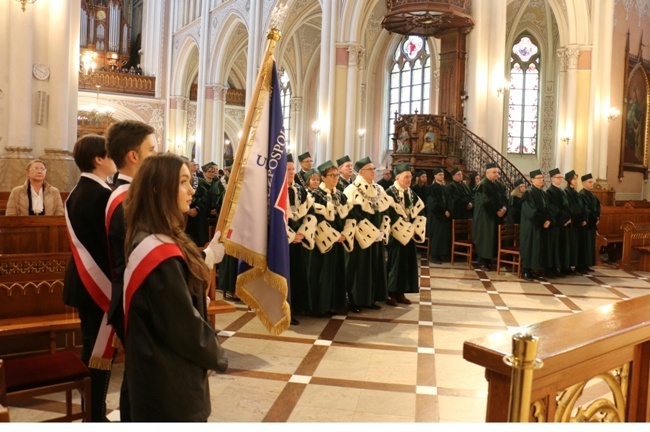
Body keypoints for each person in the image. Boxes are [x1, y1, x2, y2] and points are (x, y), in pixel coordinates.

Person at [121, 153, 227, 421]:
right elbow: (182, 324)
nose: (192, 189)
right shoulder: (155, 249)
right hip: (167, 380)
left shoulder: (157, 234)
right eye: (183, 182)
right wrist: (216, 355)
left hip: (164, 372)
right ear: (158, 189)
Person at [104, 119, 157, 421]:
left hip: (136, 300)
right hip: (136, 302)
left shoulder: (132, 195)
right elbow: (143, 258)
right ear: (134, 155)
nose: (156, 154)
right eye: (152, 149)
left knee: (139, 381)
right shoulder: (126, 201)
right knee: (140, 385)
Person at [62, 134, 117, 421]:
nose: (114, 159)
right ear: (99, 159)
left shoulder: (77, 191)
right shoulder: (101, 196)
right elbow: (105, 245)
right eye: (110, 154)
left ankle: (93, 410)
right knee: (98, 349)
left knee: (93, 345)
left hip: (85, 282)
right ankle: (95, 415)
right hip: (97, 285)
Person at [344, 157, 391, 312]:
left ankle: (370, 298)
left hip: (377, 237)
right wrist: (371, 232)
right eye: (370, 169)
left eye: (373, 169)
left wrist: (383, 229)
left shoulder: (378, 189)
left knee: (374, 266)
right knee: (359, 268)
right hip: (360, 237)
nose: (373, 172)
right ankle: (355, 300)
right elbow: (353, 214)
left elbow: (385, 211)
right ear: (361, 172)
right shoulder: (352, 190)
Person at [307, 160, 353, 315]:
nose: (335, 179)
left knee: (338, 271)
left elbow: (349, 218)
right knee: (322, 273)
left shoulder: (341, 195)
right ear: (323, 177)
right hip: (323, 242)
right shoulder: (315, 195)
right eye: (332, 175)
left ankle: (336, 303)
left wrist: (344, 234)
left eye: (336, 176)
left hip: (339, 240)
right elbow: (314, 219)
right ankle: (320, 305)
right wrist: (333, 236)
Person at [384, 164, 426, 306]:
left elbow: (419, 209)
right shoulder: (389, 193)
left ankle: (401, 292)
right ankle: (390, 293)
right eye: (406, 176)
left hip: (409, 233)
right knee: (394, 264)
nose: (409, 179)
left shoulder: (410, 192)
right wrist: (401, 226)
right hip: (395, 234)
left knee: (406, 263)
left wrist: (415, 226)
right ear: (397, 177)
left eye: (410, 177)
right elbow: (387, 213)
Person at [286, 154, 315, 323]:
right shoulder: (275, 191)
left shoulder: (299, 190)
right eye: (287, 170)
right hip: (283, 241)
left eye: (292, 169)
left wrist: (303, 233)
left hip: (299, 240)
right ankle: (284, 309)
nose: (291, 173)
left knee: (298, 273)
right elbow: (273, 218)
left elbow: (309, 213)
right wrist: (290, 235)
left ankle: (297, 306)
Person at [472, 163, 508, 271]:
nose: (497, 174)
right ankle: (482, 261)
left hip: (495, 215)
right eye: (494, 172)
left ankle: (489, 260)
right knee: (485, 237)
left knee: (492, 238)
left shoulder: (498, 185)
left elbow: (504, 199)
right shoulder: (482, 185)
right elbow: (485, 202)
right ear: (487, 173)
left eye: (497, 172)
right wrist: (497, 211)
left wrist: (504, 209)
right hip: (485, 217)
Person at [520, 169, 552, 281]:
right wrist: (542, 221)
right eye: (538, 178)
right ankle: (525, 271)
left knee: (538, 248)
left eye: (541, 177)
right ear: (532, 180)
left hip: (542, 225)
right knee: (530, 247)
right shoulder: (528, 193)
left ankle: (535, 269)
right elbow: (530, 211)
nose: (541, 180)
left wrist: (548, 219)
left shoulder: (543, 193)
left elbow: (548, 209)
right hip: (531, 225)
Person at [545, 168, 571, 278]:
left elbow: (566, 207)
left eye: (561, 177)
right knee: (553, 247)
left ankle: (557, 268)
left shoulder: (562, 191)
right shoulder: (550, 192)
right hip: (556, 224)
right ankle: (550, 270)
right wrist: (562, 220)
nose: (560, 179)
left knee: (560, 247)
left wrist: (568, 218)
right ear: (552, 179)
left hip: (563, 224)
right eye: (558, 177)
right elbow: (553, 209)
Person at [577, 173, 600, 274]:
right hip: (585, 224)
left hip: (592, 223)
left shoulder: (592, 195)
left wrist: (598, 217)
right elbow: (583, 209)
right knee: (583, 244)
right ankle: (580, 266)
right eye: (589, 182)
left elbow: (597, 207)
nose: (592, 184)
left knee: (590, 244)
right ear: (583, 183)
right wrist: (586, 219)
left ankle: (587, 265)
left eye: (592, 182)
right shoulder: (581, 194)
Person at [427, 167, 451, 264]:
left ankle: (441, 254)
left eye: (443, 175)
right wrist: (443, 211)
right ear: (435, 176)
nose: (442, 176)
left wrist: (448, 209)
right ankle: (433, 256)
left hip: (444, 216)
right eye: (440, 175)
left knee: (442, 236)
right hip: (436, 216)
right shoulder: (432, 188)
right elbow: (433, 203)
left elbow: (449, 200)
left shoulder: (444, 188)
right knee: (436, 236)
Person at [563, 170, 584, 275]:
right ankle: (566, 267)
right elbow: (569, 207)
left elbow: (579, 206)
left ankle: (572, 265)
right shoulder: (566, 192)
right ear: (569, 180)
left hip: (576, 222)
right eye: (574, 179)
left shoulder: (575, 192)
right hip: (570, 222)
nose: (576, 181)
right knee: (569, 245)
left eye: (576, 179)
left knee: (574, 245)